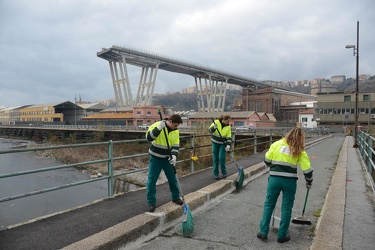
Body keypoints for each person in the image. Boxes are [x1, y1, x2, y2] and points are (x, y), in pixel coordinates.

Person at [257, 127, 313, 243]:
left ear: (288, 134)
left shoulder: (276, 144)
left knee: (269, 205)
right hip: (289, 182)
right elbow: (307, 170)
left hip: (274, 180)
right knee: (286, 207)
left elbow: (267, 161)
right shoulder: (299, 149)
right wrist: (309, 180)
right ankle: (282, 235)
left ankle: (263, 232)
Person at [145, 114, 184, 212]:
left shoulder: (175, 131)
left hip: (168, 158)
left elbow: (175, 144)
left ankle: (175, 197)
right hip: (155, 158)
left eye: (177, 126)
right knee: (152, 180)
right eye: (175, 125)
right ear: (170, 121)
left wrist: (174, 155)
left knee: (172, 178)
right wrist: (158, 129)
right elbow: (149, 138)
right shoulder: (157, 125)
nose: (176, 127)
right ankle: (151, 202)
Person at [208, 114, 232, 180]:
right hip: (215, 143)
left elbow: (229, 137)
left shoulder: (228, 127)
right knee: (215, 158)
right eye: (227, 121)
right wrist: (214, 128)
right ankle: (216, 174)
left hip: (222, 144)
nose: (228, 123)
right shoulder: (216, 122)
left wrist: (228, 145)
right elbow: (210, 131)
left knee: (221, 158)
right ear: (223, 120)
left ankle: (224, 172)